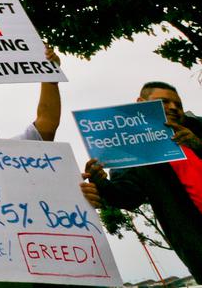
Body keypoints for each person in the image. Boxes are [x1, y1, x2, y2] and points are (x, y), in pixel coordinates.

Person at [84, 81, 202, 277]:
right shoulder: (131, 151)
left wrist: (198, 145)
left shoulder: (198, 127)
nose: (173, 107)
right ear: (140, 103)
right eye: (163, 102)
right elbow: (128, 197)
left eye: (178, 104)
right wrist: (100, 183)